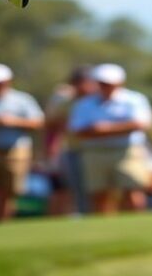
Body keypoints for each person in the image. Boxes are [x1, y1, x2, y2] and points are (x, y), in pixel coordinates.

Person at [68, 63, 152, 214]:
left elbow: (141, 124)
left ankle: (137, 225)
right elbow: (77, 130)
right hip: (95, 152)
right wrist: (119, 128)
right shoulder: (85, 104)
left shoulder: (134, 99)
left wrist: (104, 129)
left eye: (109, 83)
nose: (105, 87)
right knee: (99, 195)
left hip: (126, 151)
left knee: (132, 191)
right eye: (102, 83)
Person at [0, 63, 44, 224]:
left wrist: (13, 121)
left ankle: (3, 224)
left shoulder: (23, 100)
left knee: (9, 193)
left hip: (15, 151)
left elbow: (38, 123)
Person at [43, 65, 98, 215]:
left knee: (99, 189)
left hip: (97, 150)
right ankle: (84, 214)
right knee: (78, 188)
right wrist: (51, 147)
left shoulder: (99, 100)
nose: (82, 87)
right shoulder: (66, 103)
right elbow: (52, 125)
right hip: (74, 150)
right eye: (77, 83)